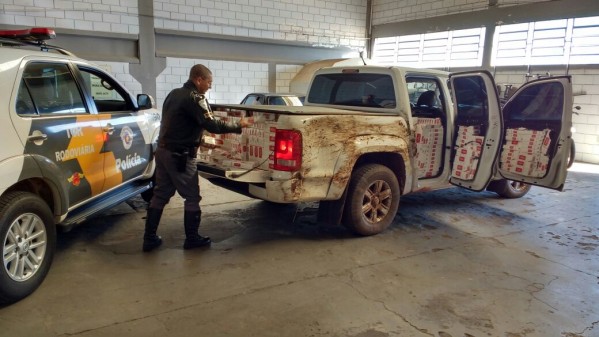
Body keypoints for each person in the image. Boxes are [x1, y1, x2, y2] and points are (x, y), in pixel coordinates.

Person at [143, 64, 251, 252]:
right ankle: (192, 239)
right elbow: (212, 124)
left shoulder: (173, 94)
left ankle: (149, 238)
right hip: (180, 156)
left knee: (160, 194)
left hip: (163, 152)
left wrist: (199, 139)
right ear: (199, 79)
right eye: (209, 82)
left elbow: (179, 123)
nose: (210, 86)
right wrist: (238, 125)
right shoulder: (196, 98)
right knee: (192, 197)